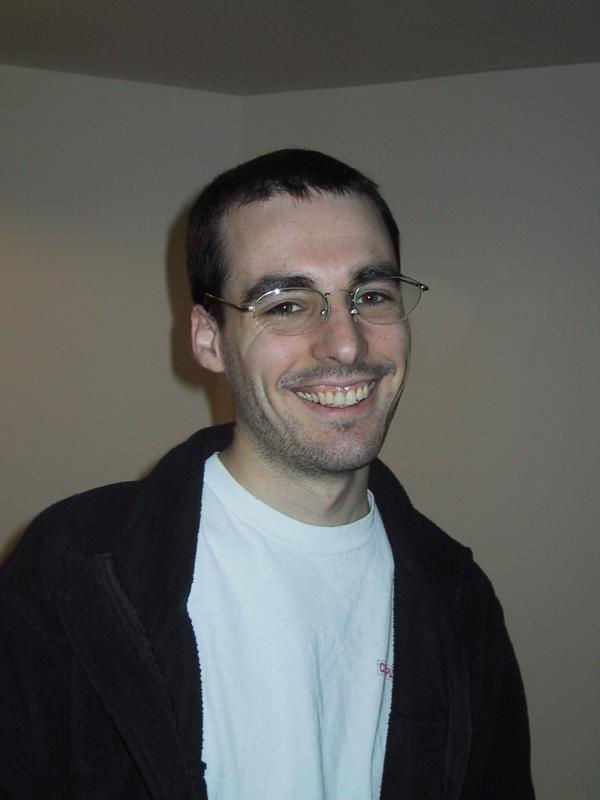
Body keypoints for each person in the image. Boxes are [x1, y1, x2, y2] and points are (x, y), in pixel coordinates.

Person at [0, 149, 534, 799]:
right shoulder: (74, 570)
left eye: (371, 295)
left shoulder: (458, 598)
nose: (346, 343)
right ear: (209, 337)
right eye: (286, 305)